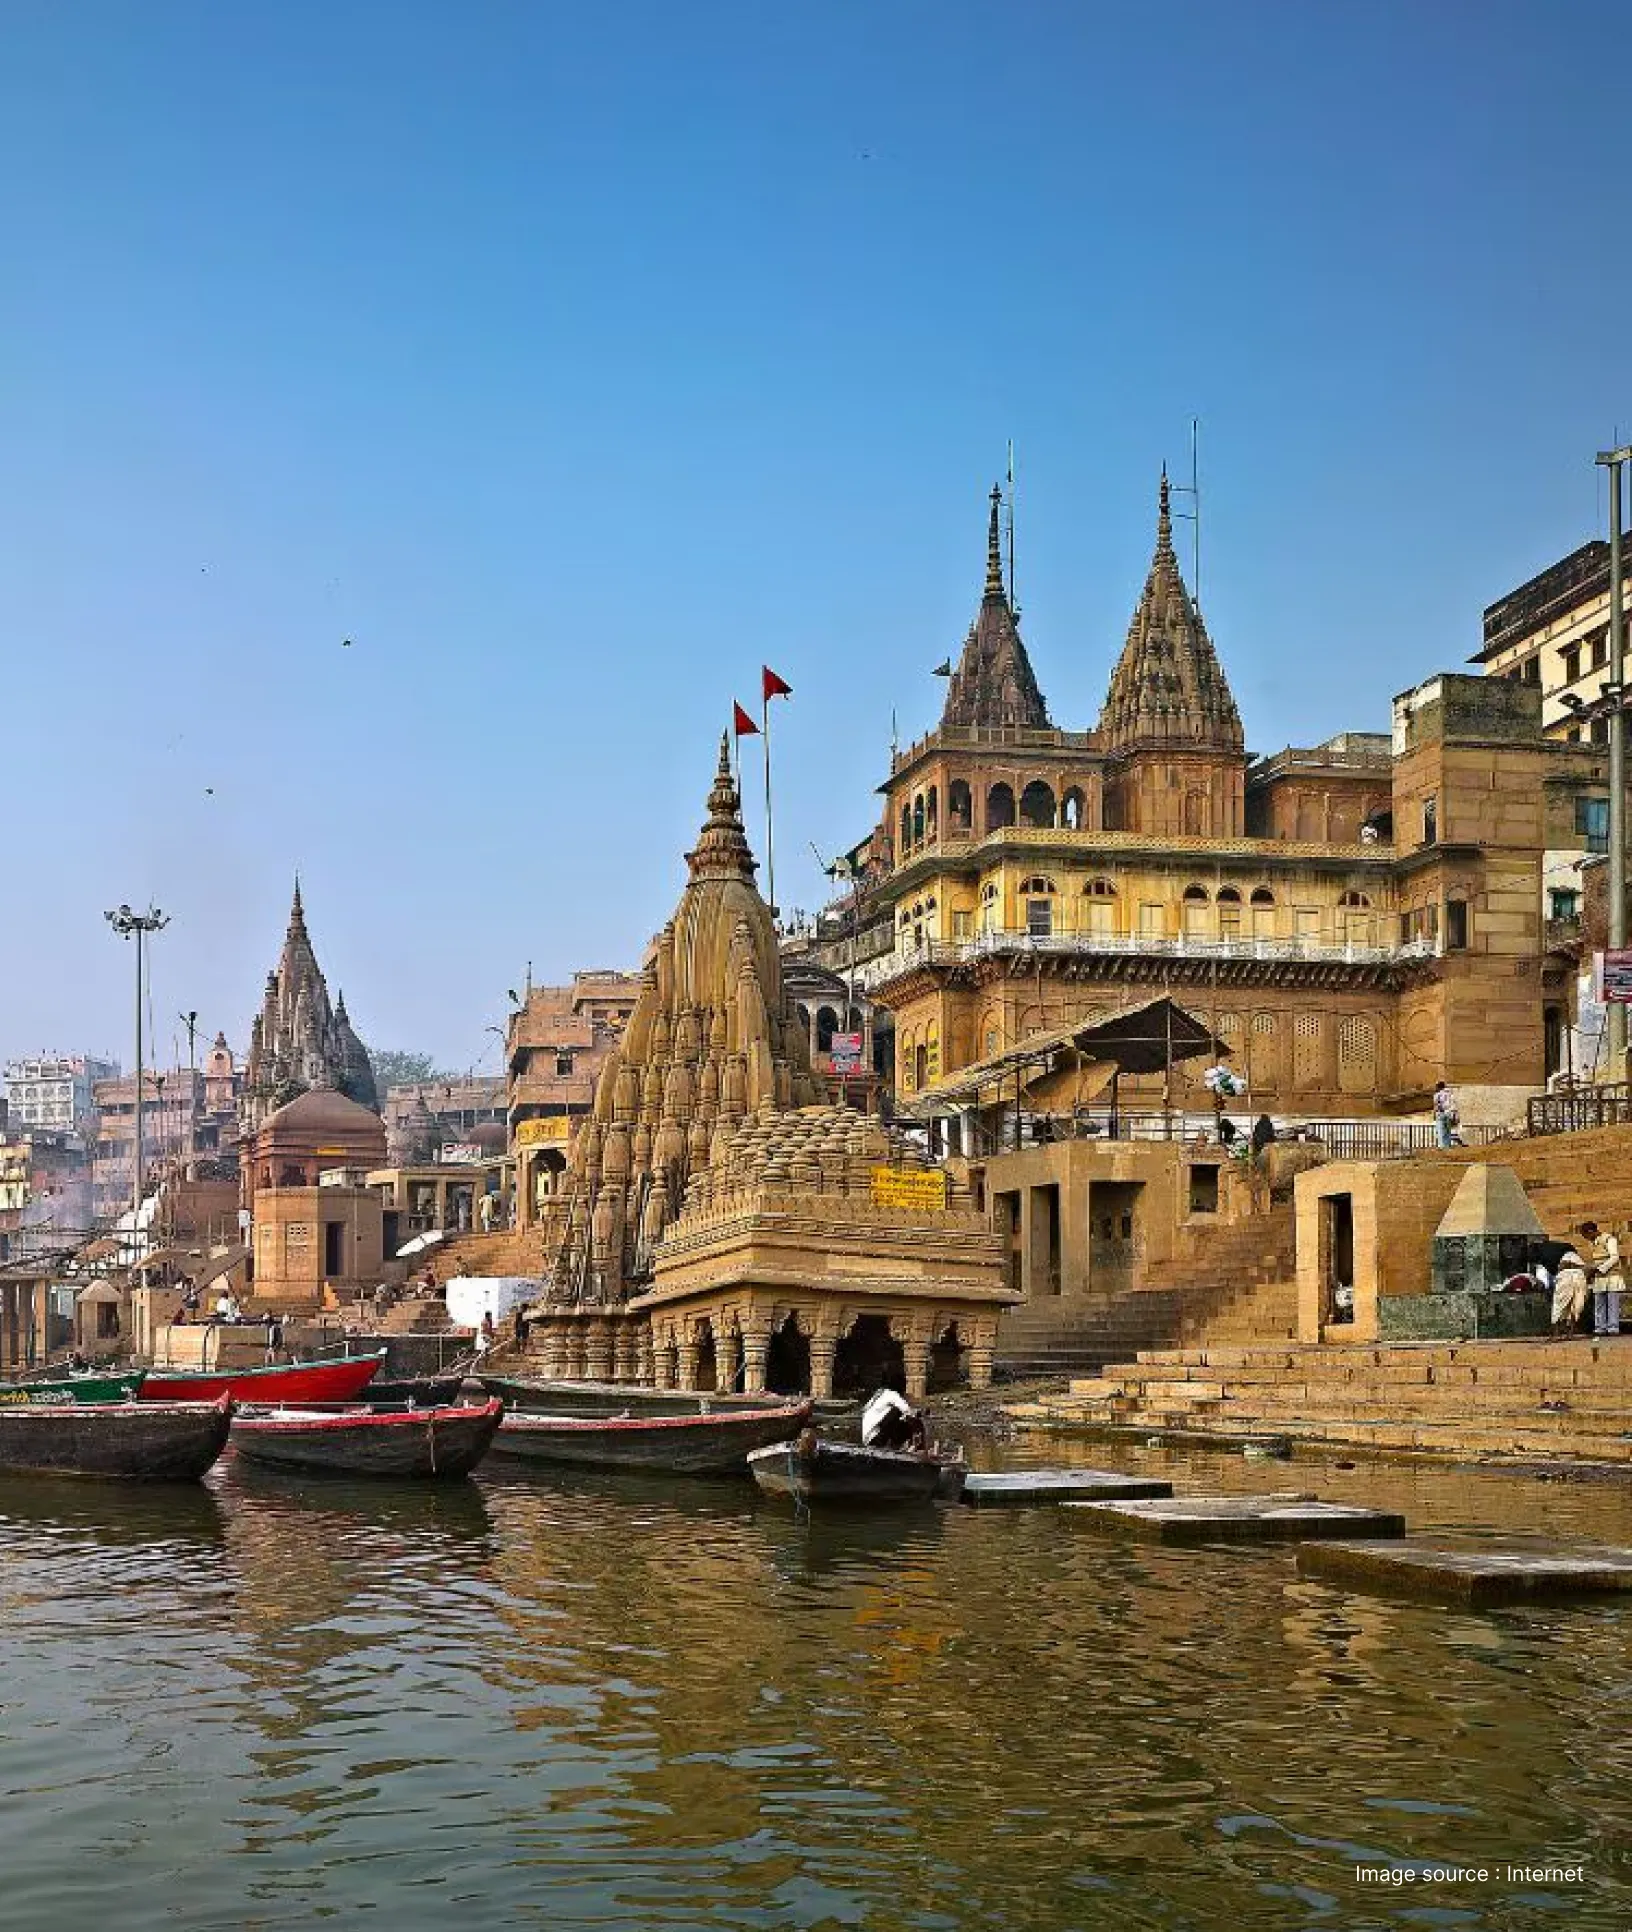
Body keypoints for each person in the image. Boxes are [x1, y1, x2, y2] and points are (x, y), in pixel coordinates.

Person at [1583, 1221, 1624, 1337]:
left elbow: (1614, 1257)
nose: (1586, 1238)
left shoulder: (1609, 1239)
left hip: (1612, 1275)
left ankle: (1613, 1328)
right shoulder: (1592, 1243)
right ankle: (1600, 1328)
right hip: (1599, 1277)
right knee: (1599, 1302)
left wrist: (1601, 1268)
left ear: (1591, 1231)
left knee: (1612, 1303)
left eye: (1586, 1235)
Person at [1551, 1241, 1591, 1337]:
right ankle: (1569, 1333)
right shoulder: (1575, 1259)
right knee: (1575, 1307)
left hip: (1568, 1279)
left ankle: (1557, 1333)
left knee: (1559, 1307)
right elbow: (1586, 1271)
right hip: (1578, 1279)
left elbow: (1562, 1266)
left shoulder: (1565, 1257)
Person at [1433, 1081, 1459, 1150]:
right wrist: (1455, 1114)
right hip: (1449, 1113)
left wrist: (1434, 1114)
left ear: (1438, 1087)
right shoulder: (1450, 1093)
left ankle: (1442, 1146)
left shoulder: (1437, 1095)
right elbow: (1453, 1104)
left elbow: (1436, 1105)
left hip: (1440, 1113)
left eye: (1436, 1086)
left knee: (1440, 1130)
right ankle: (1447, 1146)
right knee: (1447, 1130)